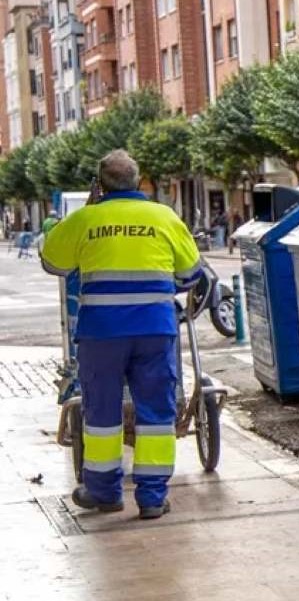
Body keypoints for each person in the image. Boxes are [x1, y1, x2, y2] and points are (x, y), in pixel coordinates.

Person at [41, 150, 210, 520]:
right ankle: (151, 498)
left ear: (99, 185)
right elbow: (191, 273)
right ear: (139, 182)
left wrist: (87, 209)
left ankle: (104, 492)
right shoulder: (163, 217)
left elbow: (53, 261)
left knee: (101, 411)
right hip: (154, 330)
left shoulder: (86, 218)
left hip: (101, 332)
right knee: (156, 412)